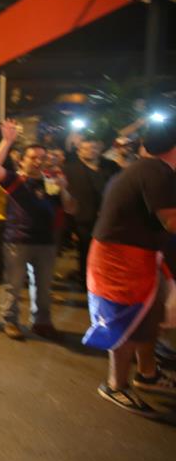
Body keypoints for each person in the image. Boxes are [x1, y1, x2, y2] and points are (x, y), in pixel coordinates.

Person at [82, 121, 176, 418]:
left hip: (140, 256)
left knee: (149, 317)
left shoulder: (147, 169)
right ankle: (115, 385)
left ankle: (147, 374)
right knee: (125, 323)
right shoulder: (155, 170)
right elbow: (172, 220)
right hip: (119, 260)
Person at [0, 121, 76, 340]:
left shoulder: (51, 182)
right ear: (22, 160)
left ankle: (42, 322)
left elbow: (72, 208)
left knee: (44, 287)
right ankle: (11, 320)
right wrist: (7, 141)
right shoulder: (16, 180)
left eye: (41, 158)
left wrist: (64, 189)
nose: (37, 161)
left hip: (45, 242)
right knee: (14, 285)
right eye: (32, 157)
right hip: (18, 241)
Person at [63, 137, 120, 286]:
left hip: (109, 217)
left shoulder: (111, 166)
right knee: (86, 250)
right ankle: (86, 281)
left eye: (94, 148)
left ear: (100, 149)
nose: (91, 151)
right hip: (82, 218)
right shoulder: (69, 169)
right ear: (79, 150)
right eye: (87, 148)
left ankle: (106, 279)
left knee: (109, 251)